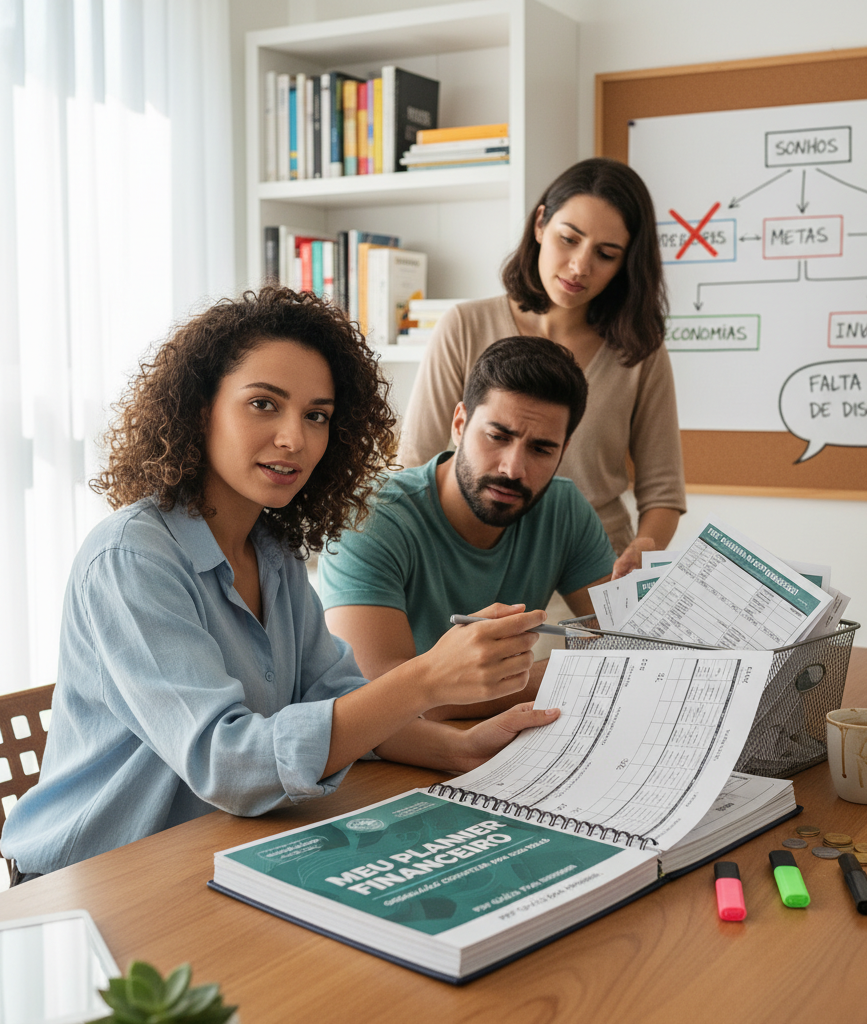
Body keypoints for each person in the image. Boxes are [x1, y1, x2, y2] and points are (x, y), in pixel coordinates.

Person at [1, 288, 559, 882]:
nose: (295, 438)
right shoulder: (129, 558)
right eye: (264, 404)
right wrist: (426, 679)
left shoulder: (272, 552)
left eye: (316, 415)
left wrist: (461, 750)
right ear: (199, 409)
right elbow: (230, 765)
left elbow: (338, 698)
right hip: (98, 882)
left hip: (214, 851)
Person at [398, 157, 686, 578]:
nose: (580, 267)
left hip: (596, 570)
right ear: (540, 225)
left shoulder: (639, 351)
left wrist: (646, 548)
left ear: (626, 263)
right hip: (473, 564)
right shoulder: (464, 325)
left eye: (606, 254)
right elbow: (414, 464)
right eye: (569, 239)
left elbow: (663, 490)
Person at [320, 336, 615, 721]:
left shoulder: (565, 509)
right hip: (388, 759)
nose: (513, 469)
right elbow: (377, 697)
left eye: (541, 449)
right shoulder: (369, 518)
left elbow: (627, 645)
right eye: (498, 436)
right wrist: (552, 677)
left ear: (564, 448)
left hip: (504, 743)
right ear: (460, 424)